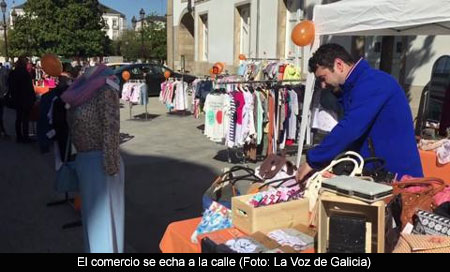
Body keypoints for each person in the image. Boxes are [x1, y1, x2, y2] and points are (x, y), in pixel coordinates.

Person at [296, 43, 423, 182]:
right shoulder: (354, 88)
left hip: (399, 177)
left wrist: (313, 159)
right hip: (377, 175)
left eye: (323, 78)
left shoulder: (373, 82)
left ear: (339, 64)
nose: (323, 85)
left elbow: (350, 128)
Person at [61, 64, 124, 253]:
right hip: (84, 162)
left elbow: (111, 127)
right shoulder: (79, 88)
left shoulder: (105, 88)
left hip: (103, 162)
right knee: (92, 220)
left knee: (105, 220)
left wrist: (110, 164)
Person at [8, 56, 36, 143]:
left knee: (19, 118)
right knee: (25, 119)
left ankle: (19, 137)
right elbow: (29, 87)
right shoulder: (25, 73)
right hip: (25, 98)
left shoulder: (13, 73)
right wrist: (33, 97)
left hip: (17, 98)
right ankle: (25, 137)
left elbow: (10, 86)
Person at [0, 63, 9, 137]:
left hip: (2, 95)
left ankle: (2, 130)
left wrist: (6, 91)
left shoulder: (4, 69)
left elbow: (7, 81)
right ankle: (2, 130)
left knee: (1, 113)